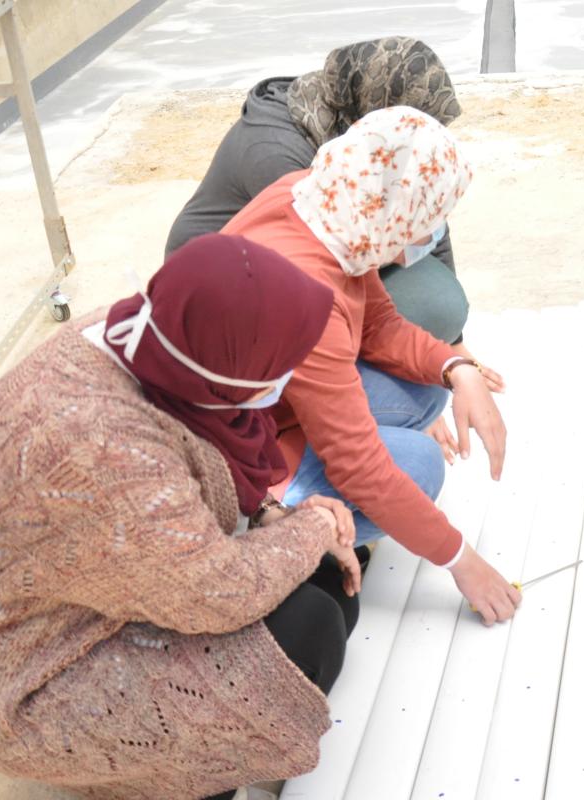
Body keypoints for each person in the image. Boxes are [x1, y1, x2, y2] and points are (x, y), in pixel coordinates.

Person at [0, 234, 366, 799]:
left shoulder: (151, 339)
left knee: (332, 587)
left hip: (75, 606)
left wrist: (276, 517)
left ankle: (181, 763)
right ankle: (167, 779)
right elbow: (215, 594)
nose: (287, 378)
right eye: (281, 364)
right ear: (229, 369)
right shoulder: (108, 451)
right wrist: (313, 526)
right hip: (10, 683)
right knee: (311, 629)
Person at [223, 106, 524, 625]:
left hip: (272, 407)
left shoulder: (327, 203)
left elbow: (379, 327)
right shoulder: (308, 295)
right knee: (419, 466)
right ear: (393, 211)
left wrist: (458, 368)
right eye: (425, 221)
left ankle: (306, 479)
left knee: (429, 389)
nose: (427, 235)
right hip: (242, 457)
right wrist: (460, 560)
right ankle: (282, 520)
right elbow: (359, 468)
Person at [166, 36, 470, 345]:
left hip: (307, 261)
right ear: (387, 113)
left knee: (439, 303)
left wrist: (459, 351)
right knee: (425, 313)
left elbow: (427, 214)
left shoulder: (362, 121)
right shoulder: (278, 155)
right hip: (227, 289)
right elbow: (324, 263)